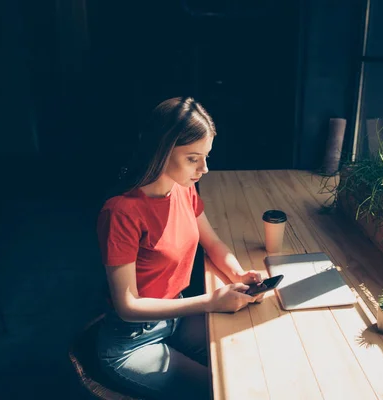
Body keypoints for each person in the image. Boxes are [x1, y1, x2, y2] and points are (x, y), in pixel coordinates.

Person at [95, 97, 263, 400]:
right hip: (132, 341)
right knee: (220, 391)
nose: (205, 168)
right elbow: (127, 305)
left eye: (206, 156)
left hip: (176, 318)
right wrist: (210, 301)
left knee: (249, 361)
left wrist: (240, 274)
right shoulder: (121, 211)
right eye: (193, 158)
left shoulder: (184, 188)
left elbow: (211, 241)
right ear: (161, 151)